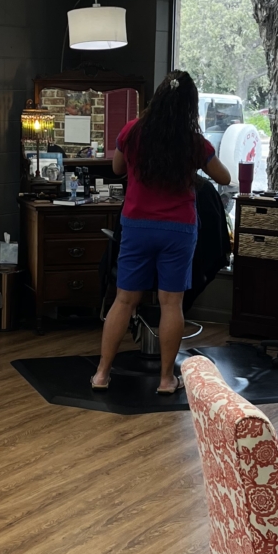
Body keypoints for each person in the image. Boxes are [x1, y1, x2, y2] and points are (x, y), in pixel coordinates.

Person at [91, 71, 231, 395]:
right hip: (178, 229)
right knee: (171, 304)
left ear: (157, 98)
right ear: (190, 106)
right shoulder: (193, 142)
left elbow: (117, 168)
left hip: (137, 225)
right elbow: (223, 177)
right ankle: (167, 380)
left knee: (124, 300)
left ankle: (101, 374)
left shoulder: (132, 131)